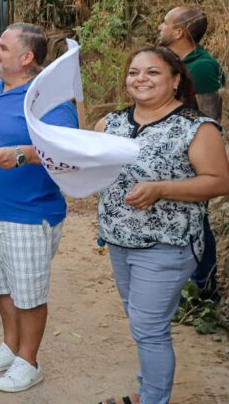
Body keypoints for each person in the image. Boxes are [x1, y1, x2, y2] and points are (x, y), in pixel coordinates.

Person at [93, 46, 229, 404]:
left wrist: (162, 189)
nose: (141, 79)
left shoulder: (196, 127)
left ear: (175, 80)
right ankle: (145, 392)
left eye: (152, 72)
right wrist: (27, 154)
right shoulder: (111, 124)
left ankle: (153, 400)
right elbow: (79, 158)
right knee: (142, 324)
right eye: (134, 72)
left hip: (167, 244)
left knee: (149, 329)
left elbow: (218, 180)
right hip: (119, 241)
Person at [0, 23, 77, 393]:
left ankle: (30, 361)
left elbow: (64, 149)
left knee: (28, 294)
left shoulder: (48, 98)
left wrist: (21, 154)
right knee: (5, 287)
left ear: (26, 58)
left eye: (1, 47)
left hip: (28, 214)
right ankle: (11, 348)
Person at [157, 6, 225, 301]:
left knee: (199, 217)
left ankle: (203, 285)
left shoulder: (202, 67)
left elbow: (211, 118)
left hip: (194, 154)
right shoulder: (173, 62)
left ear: (179, 32)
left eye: (165, 23)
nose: (160, 27)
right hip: (171, 152)